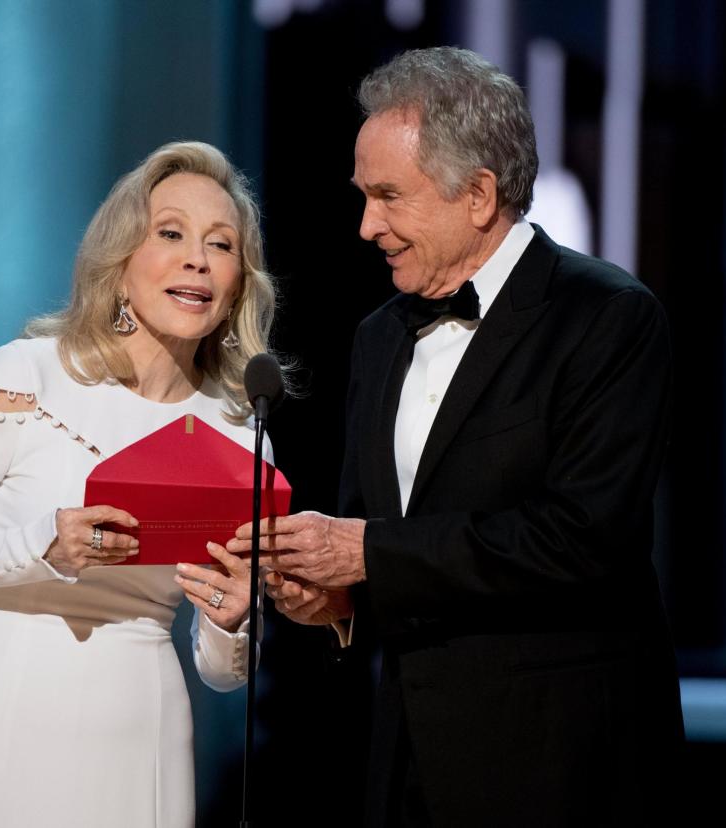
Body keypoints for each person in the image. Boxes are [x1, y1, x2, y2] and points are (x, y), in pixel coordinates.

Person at [228, 47, 685, 825]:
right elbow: (372, 534)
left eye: (388, 196)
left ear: (478, 195)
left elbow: (582, 539)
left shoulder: (607, 317)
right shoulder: (378, 337)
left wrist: (363, 553)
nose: (367, 225)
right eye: (363, 196)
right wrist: (330, 597)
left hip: (563, 762)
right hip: (408, 759)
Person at [0, 141, 279, 827]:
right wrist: (42, 545)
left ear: (238, 285)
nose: (197, 259)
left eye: (221, 245)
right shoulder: (27, 374)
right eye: (170, 233)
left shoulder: (237, 429)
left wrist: (229, 619)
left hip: (142, 726)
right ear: (121, 263)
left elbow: (222, 671)